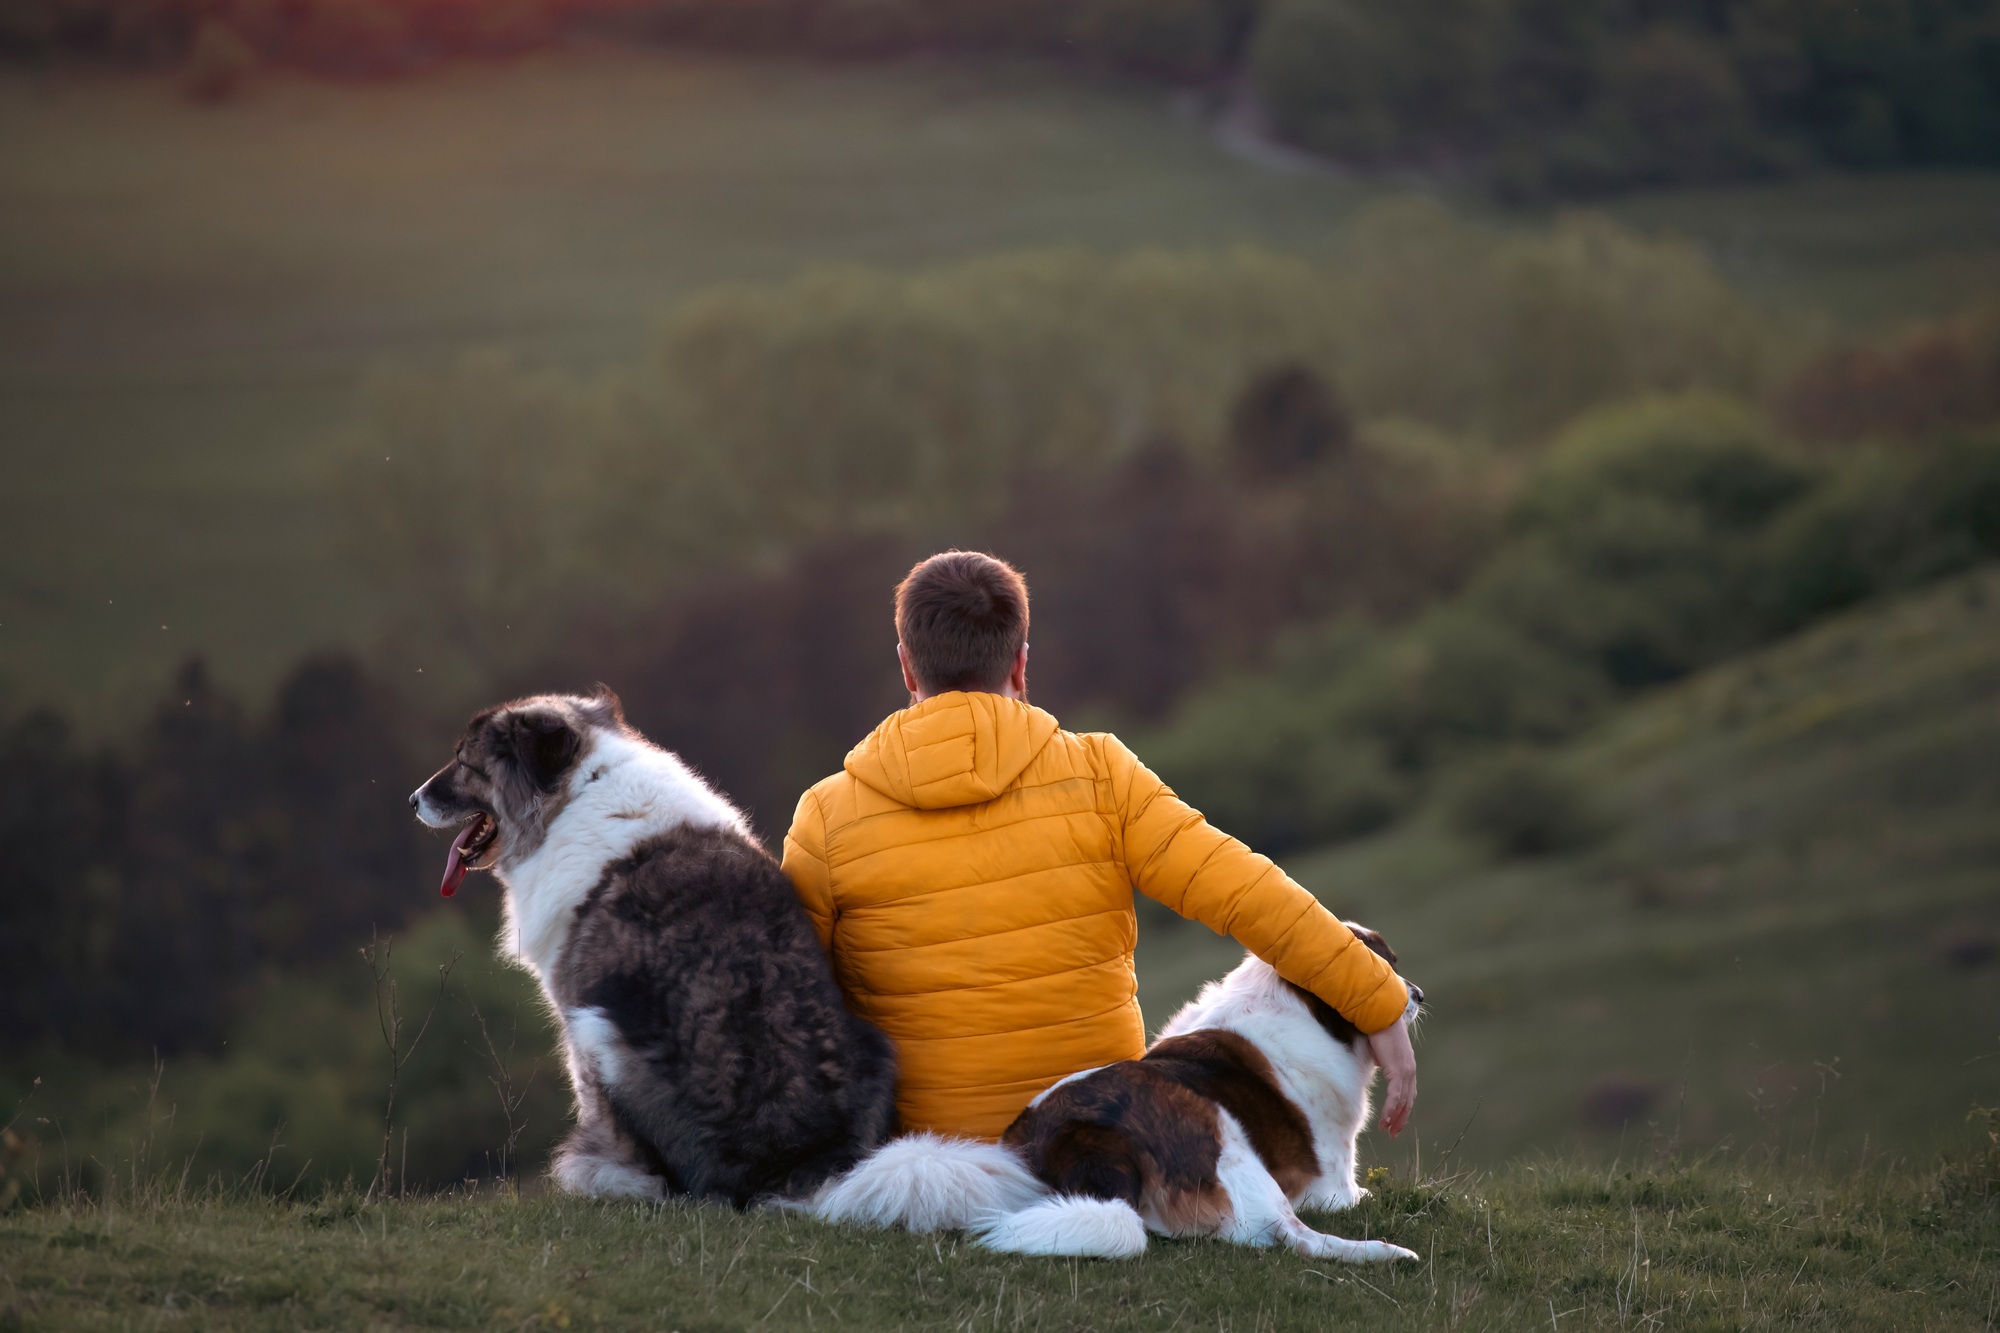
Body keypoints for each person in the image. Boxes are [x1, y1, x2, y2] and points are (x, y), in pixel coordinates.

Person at [781, 550, 1417, 1142]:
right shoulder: (1101, 774)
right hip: (1098, 1146)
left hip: (927, 1165)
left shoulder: (826, 817)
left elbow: (785, 999)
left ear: (906, 665)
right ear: (1021, 664)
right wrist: (1375, 999)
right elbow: (1245, 892)